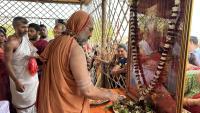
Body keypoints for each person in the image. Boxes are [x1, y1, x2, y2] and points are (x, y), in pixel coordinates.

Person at [37, 10, 123, 113]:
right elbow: (88, 90)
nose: (91, 34)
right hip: (66, 107)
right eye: (90, 29)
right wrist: (111, 95)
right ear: (80, 26)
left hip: (50, 103)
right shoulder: (75, 49)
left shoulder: (54, 42)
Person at [4, 17, 39, 113]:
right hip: (19, 79)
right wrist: (16, 82)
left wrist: (36, 57)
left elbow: (32, 51)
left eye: (27, 27)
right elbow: (7, 63)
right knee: (22, 107)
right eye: (23, 27)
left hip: (31, 78)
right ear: (15, 27)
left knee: (33, 105)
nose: (26, 30)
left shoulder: (25, 38)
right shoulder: (10, 43)